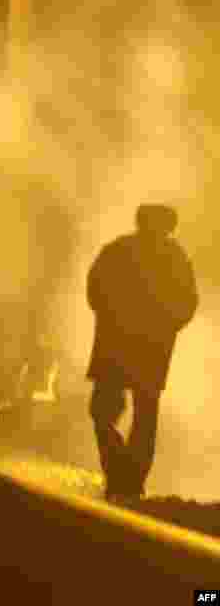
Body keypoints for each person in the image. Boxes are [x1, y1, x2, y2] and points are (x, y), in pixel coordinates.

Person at [86, 203, 198, 501]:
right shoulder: (176, 259)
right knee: (144, 416)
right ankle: (130, 479)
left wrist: (111, 317)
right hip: (152, 350)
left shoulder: (118, 250)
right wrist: (166, 327)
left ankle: (120, 472)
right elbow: (188, 303)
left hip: (115, 346)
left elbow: (95, 289)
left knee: (103, 411)